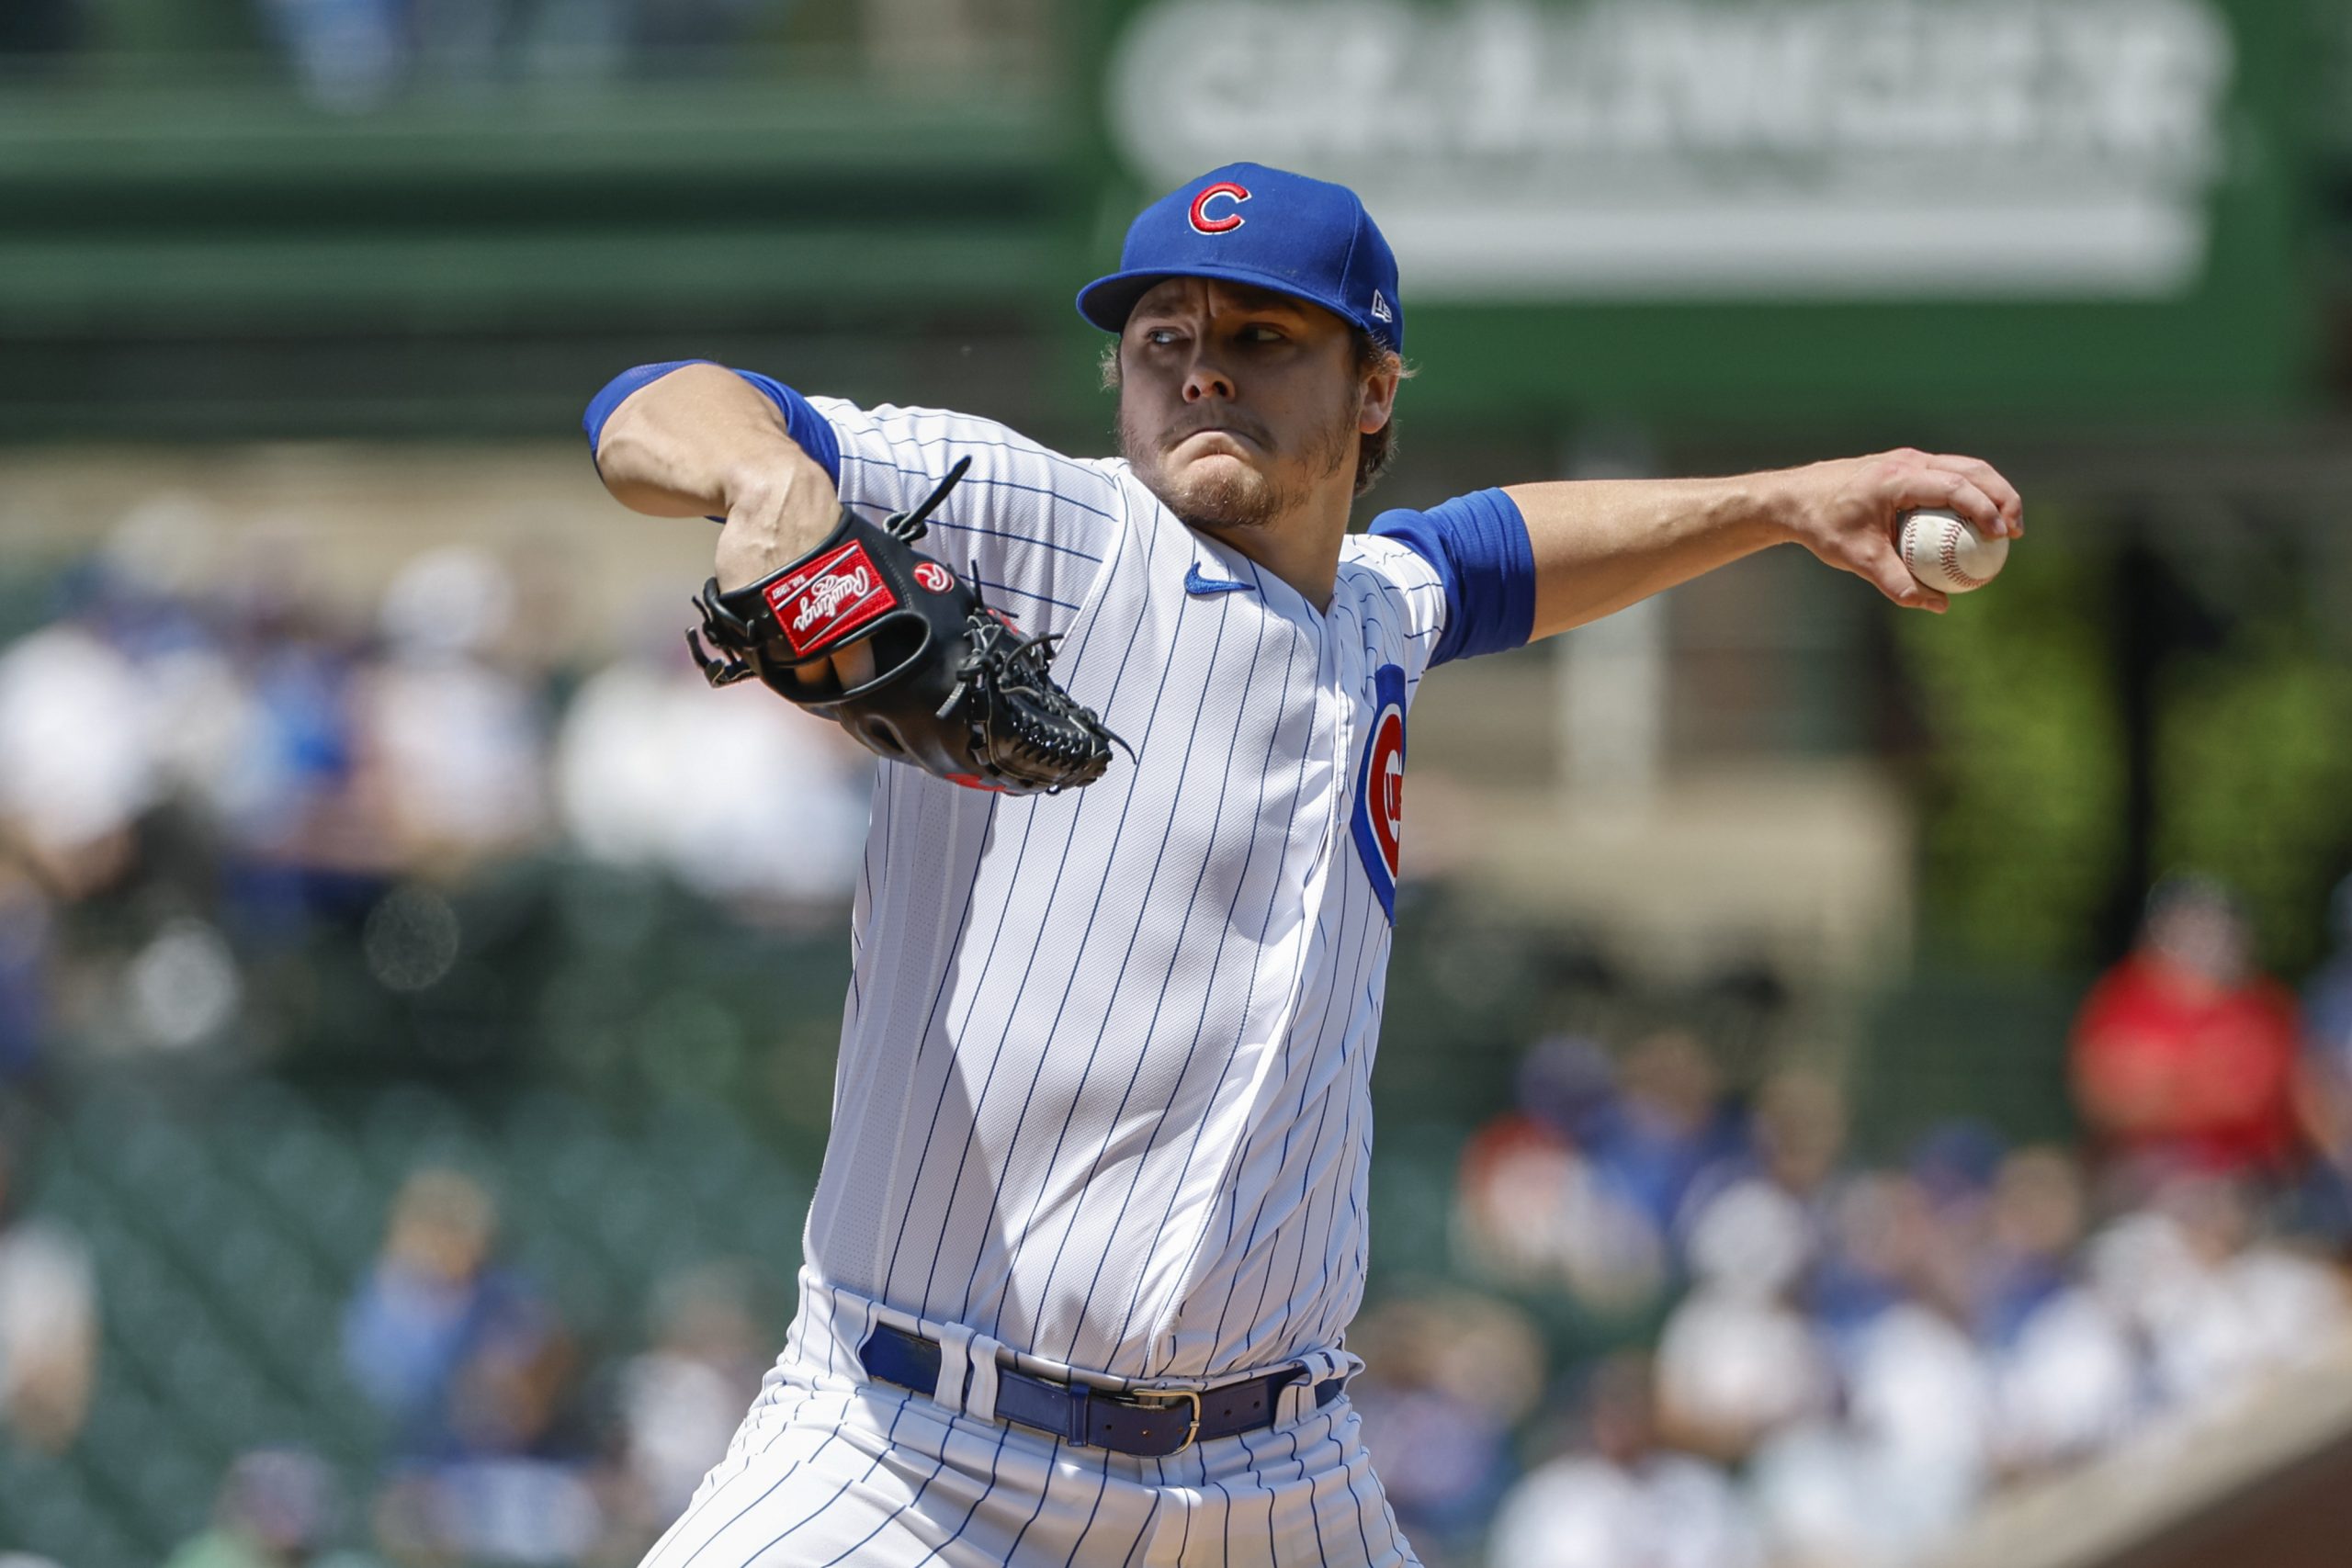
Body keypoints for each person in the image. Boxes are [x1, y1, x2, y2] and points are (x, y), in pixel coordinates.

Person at [582, 161, 2023, 1566]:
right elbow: (646, 406)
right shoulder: (1055, 525)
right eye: (1165, 340)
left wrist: (1784, 501)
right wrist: (764, 469)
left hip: (1273, 1476)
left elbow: (1499, 547)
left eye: (1263, 337)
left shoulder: (1380, 609)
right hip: (917, 1455)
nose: (1204, 370)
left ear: (1376, 387)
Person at [2070, 875, 2303, 1179]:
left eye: (2222, 927)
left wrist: (2172, 1079)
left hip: (2251, 1175)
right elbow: (2107, 1099)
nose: (2210, 939)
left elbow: (2273, 1097)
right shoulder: (2123, 997)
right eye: (2194, 925)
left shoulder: (2266, 1005)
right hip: (2146, 1170)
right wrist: (2209, 1080)